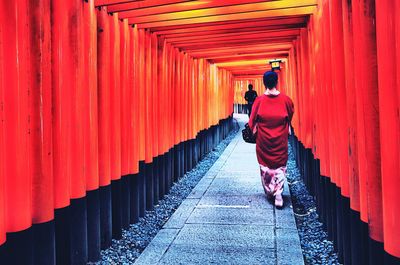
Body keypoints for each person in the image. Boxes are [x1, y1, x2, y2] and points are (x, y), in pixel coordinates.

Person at [248, 71, 294, 208]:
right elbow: (290, 115)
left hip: (264, 140)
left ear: (264, 83)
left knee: (265, 166)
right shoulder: (286, 100)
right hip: (280, 139)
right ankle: (278, 192)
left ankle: (270, 190)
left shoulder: (259, 101)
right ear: (277, 82)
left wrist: (253, 129)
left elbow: (251, 121)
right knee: (280, 166)